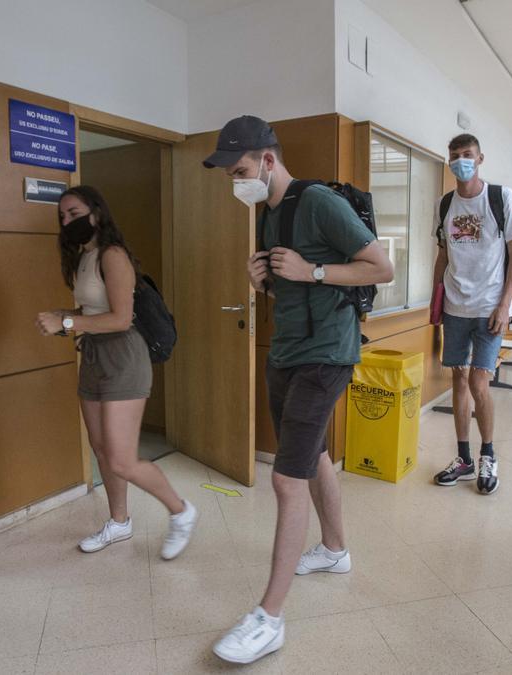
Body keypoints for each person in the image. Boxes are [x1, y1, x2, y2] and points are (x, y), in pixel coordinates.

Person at [202, 115, 394, 664]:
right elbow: (290, 282)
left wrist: (311, 272)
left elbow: (380, 267)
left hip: (326, 356)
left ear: (267, 159)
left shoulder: (318, 202)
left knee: (287, 481)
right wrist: (261, 280)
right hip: (286, 352)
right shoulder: (270, 213)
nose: (236, 181)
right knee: (318, 459)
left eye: (239, 169)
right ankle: (335, 550)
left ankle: (269, 618)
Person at [36, 186, 198, 560]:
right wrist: (63, 318)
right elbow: (92, 313)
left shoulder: (113, 255)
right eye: (62, 217)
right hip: (94, 357)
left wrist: (65, 320)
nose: (67, 222)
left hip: (125, 359)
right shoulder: (83, 257)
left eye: (73, 213)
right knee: (102, 449)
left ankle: (181, 511)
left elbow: (121, 318)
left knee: (123, 458)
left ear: (96, 212)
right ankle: (120, 521)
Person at [432, 134, 512, 495]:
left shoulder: (501, 198)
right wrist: (435, 298)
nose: (461, 161)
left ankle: (489, 454)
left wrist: (506, 304)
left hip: (489, 307)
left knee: (478, 382)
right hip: (455, 307)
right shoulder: (445, 204)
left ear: (480, 158)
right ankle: (464, 459)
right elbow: (443, 254)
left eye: (467, 155)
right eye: (455, 156)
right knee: (457, 380)